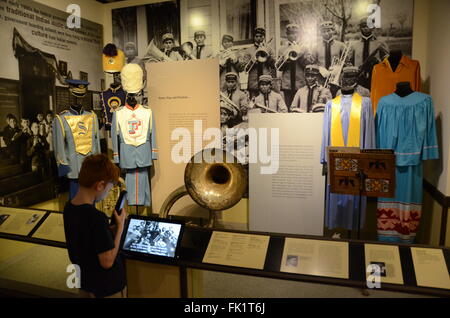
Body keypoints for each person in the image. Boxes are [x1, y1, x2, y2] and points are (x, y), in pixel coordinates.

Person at [63, 154, 127, 298]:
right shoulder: (96, 217)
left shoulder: (69, 208)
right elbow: (107, 261)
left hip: (85, 282)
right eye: (109, 188)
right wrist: (120, 227)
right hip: (106, 288)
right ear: (100, 185)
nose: (107, 192)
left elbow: (86, 241)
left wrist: (108, 230)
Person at [278, 24, 314, 108]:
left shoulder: (304, 48)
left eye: (295, 33)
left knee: (301, 107)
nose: (292, 36)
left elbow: (308, 65)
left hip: (300, 82)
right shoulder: (282, 49)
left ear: (298, 34)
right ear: (286, 35)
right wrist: (286, 59)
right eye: (290, 34)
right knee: (289, 107)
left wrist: (300, 55)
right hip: (287, 83)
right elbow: (279, 67)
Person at [349, 18, 389, 89]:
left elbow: (387, 62)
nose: (366, 28)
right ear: (360, 28)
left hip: (376, 77)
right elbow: (350, 62)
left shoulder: (380, 44)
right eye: (363, 26)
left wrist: (378, 63)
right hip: (359, 78)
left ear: (373, 27)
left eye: (368, 26)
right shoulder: (354, 45)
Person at [239, 27, 277, 99]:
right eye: (256, 36)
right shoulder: (248, 50)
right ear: (254, 37)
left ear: (264, 37)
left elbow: (273, 65)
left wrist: (268, 57)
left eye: (261, 36)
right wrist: (252, 61)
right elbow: (246, 68)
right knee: (254, 104)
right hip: (253, 82)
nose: (259, 38)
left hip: (266, 81)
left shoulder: (269, 49)